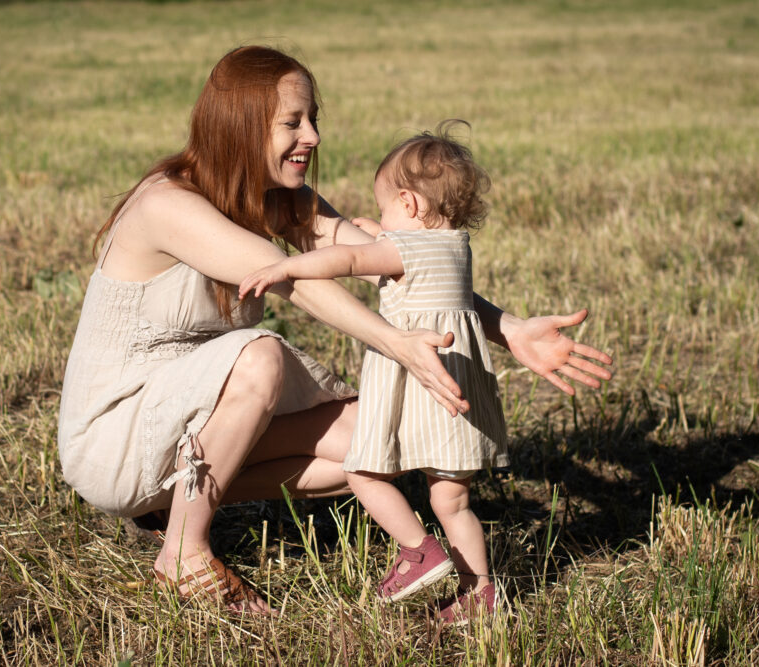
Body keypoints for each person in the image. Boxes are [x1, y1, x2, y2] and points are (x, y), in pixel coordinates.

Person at [57, 46, 613, 615]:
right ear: (241, 126)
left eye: (313, 118)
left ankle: (168, 506)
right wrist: (393, 342)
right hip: (113, 438)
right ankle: (182, 554)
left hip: (183, 422)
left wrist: (508, 328)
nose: (314, 137)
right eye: (292, 122)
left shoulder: (275, 199)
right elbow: (296, 284)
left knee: (369, 439)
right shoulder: (167, 205)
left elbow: (385, 258)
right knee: (260, 356)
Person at [240, 121, 516, 623]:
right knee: (452, 501)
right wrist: (379, 231)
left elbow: (349, 259)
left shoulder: (400, 250)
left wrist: (287, 268)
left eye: (388, 208)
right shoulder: (454, 246)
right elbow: (393, 251)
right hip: (456, 393)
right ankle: (480, 592)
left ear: (409, 205)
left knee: (362, 470)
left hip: (419, 386)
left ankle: (417, 552)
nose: (383, 220)